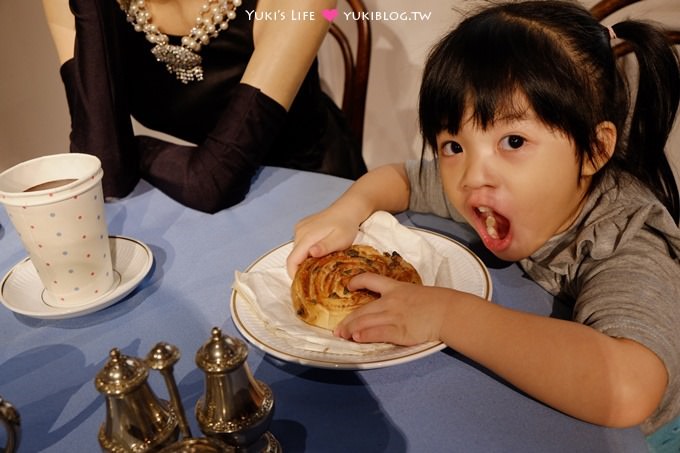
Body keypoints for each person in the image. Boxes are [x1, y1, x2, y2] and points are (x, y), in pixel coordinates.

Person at [287, 0, 680, 444]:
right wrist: (346, 210)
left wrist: (447, 313)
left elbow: (629, 387)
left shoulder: (625, 239)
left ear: (593, 150)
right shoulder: (496, 191)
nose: (472, 176)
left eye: (513, 141)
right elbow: (399, 177)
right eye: (453, 145)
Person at [41, 0, 366, 213]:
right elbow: (107, 169)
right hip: (190, 192)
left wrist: (131, 150)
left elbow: (212, 182)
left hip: (308, 190)